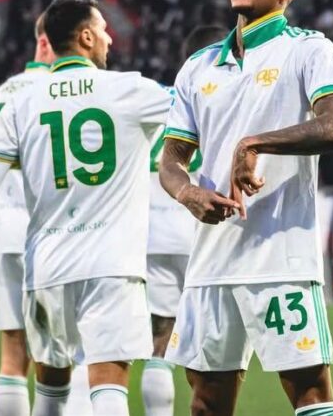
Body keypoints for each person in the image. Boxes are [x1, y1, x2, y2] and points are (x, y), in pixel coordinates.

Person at [0, 0, 173, 416]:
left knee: (51, 392)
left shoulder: (21, 102)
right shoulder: (132, 89)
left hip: (47, 268)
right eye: (104, 30)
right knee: (109, 385)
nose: (110, 39)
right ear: (86, 37)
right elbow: (202, 108)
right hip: (112, 265)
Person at [159, 0, 333, 416]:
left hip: (279, 256)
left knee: (310, 394)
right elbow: (171, 159)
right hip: (211, 260)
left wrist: (254, 143)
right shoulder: (198, 66)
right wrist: (187, 193)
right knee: (206, 402)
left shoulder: (308, 50)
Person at [142, 23, 227, 416]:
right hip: (204, 229)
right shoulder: (225, 93)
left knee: (160, 338)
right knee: (208, 342)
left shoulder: (153, 98)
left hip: (152, 231)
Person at [0, 15, 55, 416]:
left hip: (10, 231)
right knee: (62, 354)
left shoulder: (3, 92)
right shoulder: (62, 90)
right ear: (46, 42)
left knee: (13, 353)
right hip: (54, 231)